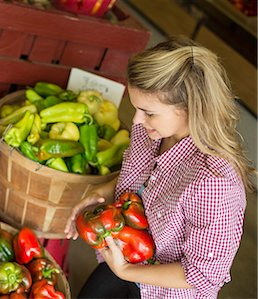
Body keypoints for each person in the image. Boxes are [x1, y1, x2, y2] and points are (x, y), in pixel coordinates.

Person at [65, 35, 254, 299]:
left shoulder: (214, 181)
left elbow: (203, 275)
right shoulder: (151, 130)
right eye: (137, 109)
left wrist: (126, 272)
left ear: (189, 107)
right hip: (122, 262)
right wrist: (102, 192)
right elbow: (146, 180)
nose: (138, 120)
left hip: (162, 291)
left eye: (149, 111)